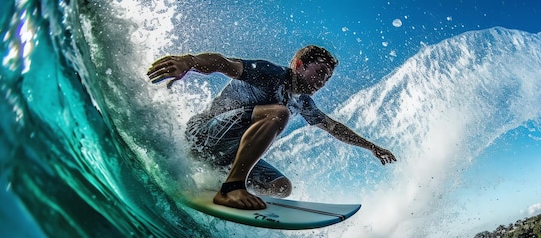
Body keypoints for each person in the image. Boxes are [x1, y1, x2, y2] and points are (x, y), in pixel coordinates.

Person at [147, 45, 396, 210]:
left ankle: (217, 185)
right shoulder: (271, 73)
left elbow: (333, 127)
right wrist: (189, 61)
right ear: (299, 65)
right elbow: (225, 63)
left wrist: (372, 147)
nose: (322, 82)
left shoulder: (303, 102)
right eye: (319, 72)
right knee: (279, 114)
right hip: (203, 135)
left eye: (327, 78)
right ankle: (231, 188)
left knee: (281, 187)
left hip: (224, 155)